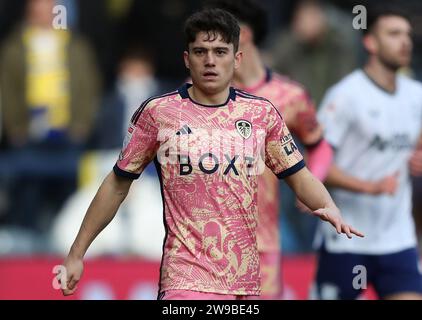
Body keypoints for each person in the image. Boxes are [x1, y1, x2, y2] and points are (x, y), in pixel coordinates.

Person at [58, 8, 362, 300]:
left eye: (220, 52)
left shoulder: (261, 114)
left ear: (237, 58)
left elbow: (298, 175)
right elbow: (117, 183)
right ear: (187, 59)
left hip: (244, 283)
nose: (210, 61)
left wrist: (327, 205)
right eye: (201, 52)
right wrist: (77, 253)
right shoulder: (159, 114)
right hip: (185, 279)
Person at [204, 0, 333, 299]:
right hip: (204, 248)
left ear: (244, 36)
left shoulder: (289, 96)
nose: (208, 53)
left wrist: (312, 181)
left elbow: (320, 145)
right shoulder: (196, 93)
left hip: (260, 246)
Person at [312, 5, 422, 300]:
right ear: (370, 42)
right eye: (394, 34)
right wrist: (368, 187)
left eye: (408, 35)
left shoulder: (416, 94)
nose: (406, 42)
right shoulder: (346, 95)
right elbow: (318, 167)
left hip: (398, 238)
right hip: (347, 240)